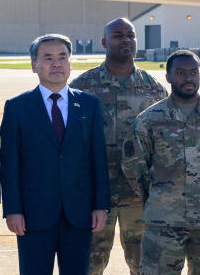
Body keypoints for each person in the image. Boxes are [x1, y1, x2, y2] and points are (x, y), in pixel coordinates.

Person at [0, 34, 110, 275]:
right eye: (48, 58)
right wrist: (13, 210)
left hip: (79, 213)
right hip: (33, 214)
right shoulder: (17, 107)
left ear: (70, 63)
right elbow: (10, 164)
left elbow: (98, 159)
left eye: (62, 57)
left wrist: (101, 205)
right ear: (34, 65)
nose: (57, 63)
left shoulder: (89, 105)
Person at [69, 18, 167, 275]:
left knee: (145, 265)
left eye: (130, 35)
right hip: (95, 196)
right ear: (104, 42)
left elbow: (165, 142)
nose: (125, 40)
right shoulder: (82, 87)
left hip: (139, 197)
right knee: (89, 265)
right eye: (118, 35)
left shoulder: (153, 89)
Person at [121, 50, 200, 275]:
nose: (188, 77)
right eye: (180, 72)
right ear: (168, 76)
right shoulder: (149, 120)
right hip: (163, 224)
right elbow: (135, 168)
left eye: (193, 72)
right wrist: (158, 199)